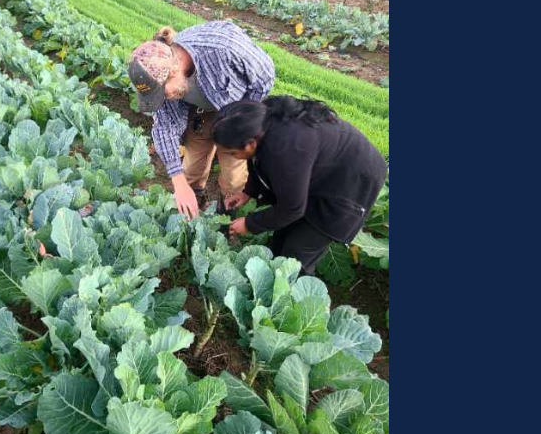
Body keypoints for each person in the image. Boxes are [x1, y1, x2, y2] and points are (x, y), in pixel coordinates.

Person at [211, 96, 387, 276]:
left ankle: (294, 297)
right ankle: (276, 283)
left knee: (296, 255)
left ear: (250, 143)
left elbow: (292, 208)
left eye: (232, 152)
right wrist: (249, 192)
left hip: (351, 183)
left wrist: (250, 223)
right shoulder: (260, 126)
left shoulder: (286, 149)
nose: (233, 157)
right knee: (281, 238)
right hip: (321, 171)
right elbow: (255, 160)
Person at [128, 21, 275, 218]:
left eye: (161, 93)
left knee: (234, 177)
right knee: (190, 169)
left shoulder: (222, 49)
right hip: (199, 112)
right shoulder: (163, 82)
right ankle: (194, 206)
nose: (161, 98)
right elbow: (164, 128)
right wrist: (179, 184)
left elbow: (265, 75)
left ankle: (228, 215)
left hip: (235, 111)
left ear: (173, 71)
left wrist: (246, 118)